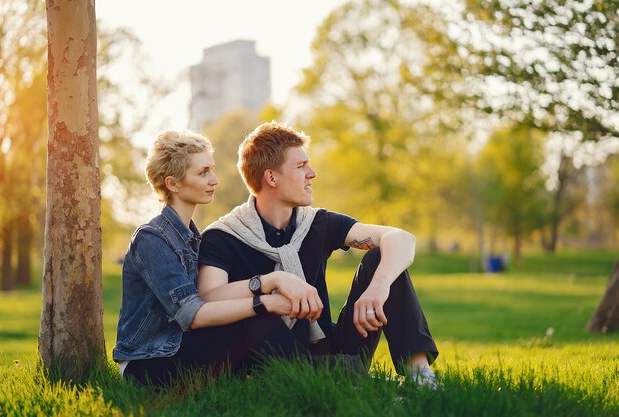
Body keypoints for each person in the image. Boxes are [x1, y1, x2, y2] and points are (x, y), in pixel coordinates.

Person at [198, 122, 439, 386]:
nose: (311, 174)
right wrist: (272, 282)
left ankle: (421, 378)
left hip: (328, 345)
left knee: (382, 257)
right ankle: (354, 379)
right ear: (271, 178)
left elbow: (400, 239)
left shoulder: (315, 223)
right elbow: (209, 297)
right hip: (271, 356)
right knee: (258, 319)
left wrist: (378, 287)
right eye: (301, 167)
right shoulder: (223, 234)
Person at [113, 130, 310, 386]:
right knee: (257, 322)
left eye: (212, 170)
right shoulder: (151, 239)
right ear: (173, 184)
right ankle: (330, 377)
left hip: (182, 348)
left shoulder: (194, 238)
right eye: (203, 172)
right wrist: (266, 303)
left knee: (256, 336)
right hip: (149, 363)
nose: (214, 179)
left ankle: (322, 373)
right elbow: (191, 314)